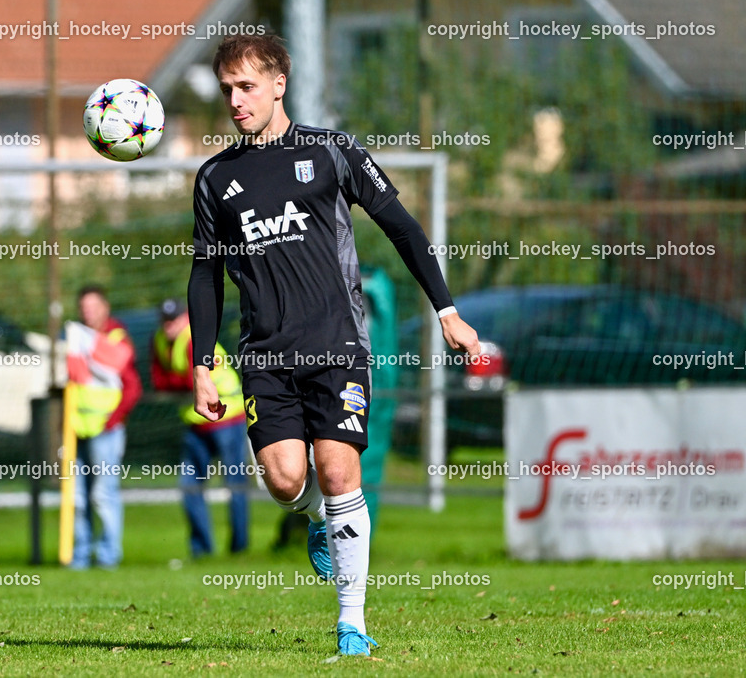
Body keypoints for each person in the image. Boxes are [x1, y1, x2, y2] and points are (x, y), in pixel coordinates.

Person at [187, 34, 480, 655]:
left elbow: (402, 228)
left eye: (246, 87)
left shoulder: (330, 151)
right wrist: (202, 365)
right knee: (286, 481)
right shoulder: (216, 178)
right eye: (227, 90)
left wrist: (447, 311)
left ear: (278, 84)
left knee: (339, 468)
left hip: (337, 343)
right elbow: (205, 275)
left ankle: (353, 625)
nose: (236, 101)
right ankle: (318, 519)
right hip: (264, 356)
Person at [150, 298, 250, 559]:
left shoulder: (193, 340)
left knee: (235, 485)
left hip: (228, 418)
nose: (169, 325)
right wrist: (177, 382)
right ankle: (202, 550)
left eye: (174, 319)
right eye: (165, 319)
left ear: (185, 318)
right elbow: (160, 381)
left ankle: (239, 549)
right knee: (190, 486)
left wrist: (177, 381)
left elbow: (187, 382)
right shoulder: (159, 341)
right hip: (197, 425)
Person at [69, 285, 142, 569]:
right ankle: (81, 555)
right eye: (83, 307)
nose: (87, 312)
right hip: (78, 428)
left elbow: (132, 387)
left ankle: (108, 555)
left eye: (92, 306)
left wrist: (114, 418)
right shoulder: (75, 338)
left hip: (106, 431)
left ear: (105, 307)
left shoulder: (116, 339)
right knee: (78, 497)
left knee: (103, 494)